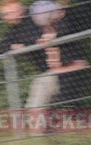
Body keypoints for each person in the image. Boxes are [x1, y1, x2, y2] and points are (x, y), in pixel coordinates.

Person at [26, 0, 89, 131]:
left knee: (66, 108)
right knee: (35, 102)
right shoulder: (37, 33)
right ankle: (37, 135)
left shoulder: (67, 25)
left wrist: (54, 36)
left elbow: (67, 29)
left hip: (70, 73)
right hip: (53, 73)